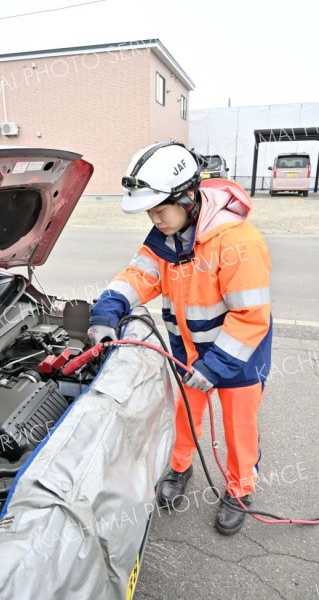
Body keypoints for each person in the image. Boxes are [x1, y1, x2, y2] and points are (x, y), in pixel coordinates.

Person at [88, 141, 272, 535]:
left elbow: (250, 316)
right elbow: (139, 276)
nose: (155, 220)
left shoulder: (238, 243)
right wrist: (107, 310)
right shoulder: (166, 237)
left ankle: (239, 490)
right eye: (149, 212)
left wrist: (216, 365)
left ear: (188, 198)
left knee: (239, 427)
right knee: (184, 415)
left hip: (238, 356)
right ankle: (180, 467)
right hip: (188, 351)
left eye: (159, 209)